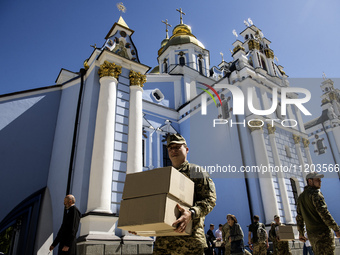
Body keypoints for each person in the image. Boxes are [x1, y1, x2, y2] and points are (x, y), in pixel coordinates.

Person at [153, 134, 217, 255]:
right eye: (170, 148)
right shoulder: (164, 175)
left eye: (177, 147)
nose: (173, 150)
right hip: (163, 243)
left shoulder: (196, 171)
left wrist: (191, 213)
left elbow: (209, 200)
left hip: (189, 243)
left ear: (186, 150)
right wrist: (142, 227)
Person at [296, 172, 340, 254]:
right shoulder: (315, 193)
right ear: (310, 181)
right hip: (323, 235)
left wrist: (301, 233)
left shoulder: (301, 197)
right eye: (317, 180)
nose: (320, 181)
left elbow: (299, 217)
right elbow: (324, 213)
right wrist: (336, 229)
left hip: (312, 236)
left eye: (320, 180)